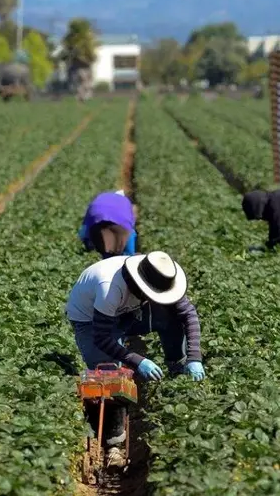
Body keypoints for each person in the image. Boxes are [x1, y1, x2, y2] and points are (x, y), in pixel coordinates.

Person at [65, 251, 204, 449]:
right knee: (109, 376)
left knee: (172, 318)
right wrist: (139, 361)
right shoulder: (109, 289)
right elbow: (102, 337)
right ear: (141, 287)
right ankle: (113, 442)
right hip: (90, 320)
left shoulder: (159, 276)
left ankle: (178, 372)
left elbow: (188, 315)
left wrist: (194, 357)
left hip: (130, 311)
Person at [78, 190, 137, 258]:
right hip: (121, 220)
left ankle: (106, 256)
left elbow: (84, 231)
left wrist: (88, 247)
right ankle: (127, 256)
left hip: (96, 216)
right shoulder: (125, 203)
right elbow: (131, 228)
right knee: (128, 252)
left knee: (102, 245)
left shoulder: (101, 199)